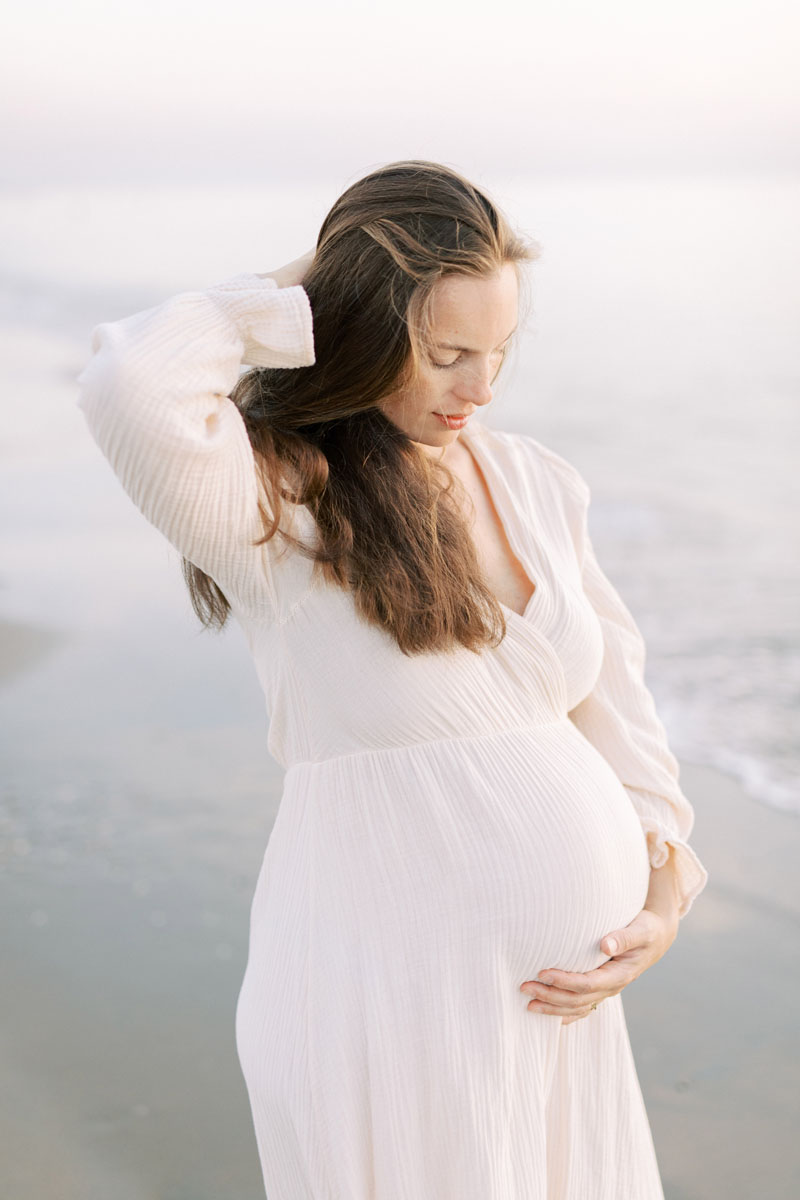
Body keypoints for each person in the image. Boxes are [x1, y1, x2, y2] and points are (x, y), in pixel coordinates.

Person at [75, 159, 708, 1200]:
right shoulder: (275, 497)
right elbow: (127, 382)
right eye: (445, 352)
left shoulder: (537, 482)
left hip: (559, 1015)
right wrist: (315, 288)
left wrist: (660, 892)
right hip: (386, 1001)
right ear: (363, 329)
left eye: (500, 351)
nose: (480, 388)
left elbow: (616, 706)